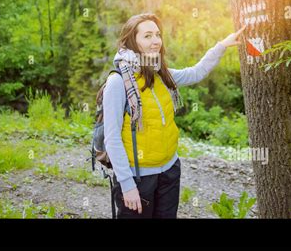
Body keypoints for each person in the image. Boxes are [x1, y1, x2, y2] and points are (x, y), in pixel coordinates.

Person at [103, 13, 246, 218]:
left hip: (169, 171)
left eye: (158, 35)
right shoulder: (118, 82)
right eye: (148, 36)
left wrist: (222, 45)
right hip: (138, 178)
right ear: (132, 41)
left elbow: (196, 72)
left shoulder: (160, 73)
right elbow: (112, 138)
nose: (156, 42)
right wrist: (127, 185)